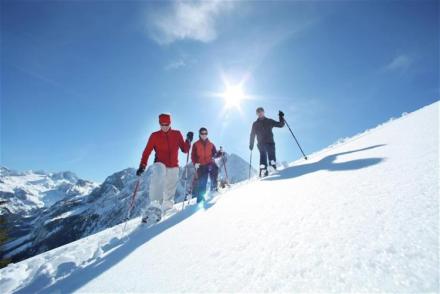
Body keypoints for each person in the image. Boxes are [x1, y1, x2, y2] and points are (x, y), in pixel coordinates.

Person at [136, 113, 193, 224]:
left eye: (167, 124)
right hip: (160, 163)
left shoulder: (177, 134)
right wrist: (142, 165)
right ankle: (154, 207)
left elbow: (185, 150)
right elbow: (147, 152)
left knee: (169, 191)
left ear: (170, 123)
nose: (165, 126)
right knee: (158, 179)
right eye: (162, 124)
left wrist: (188, 140)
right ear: (159, 124)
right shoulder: (154, 136)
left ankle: (164, 211)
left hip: (174, 166)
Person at [249, 107, 285, 177]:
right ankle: (263, 170)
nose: (260, 113)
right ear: (257, 114)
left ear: (263, 112)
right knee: (263, 154)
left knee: (271, 154)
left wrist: (281, 117)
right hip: (261, 143)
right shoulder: (255, 124)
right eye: (258, 112)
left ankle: (272, 166)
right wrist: (251, 144)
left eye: (261, 111)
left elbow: (280, 125)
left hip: (270, 142)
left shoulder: (269, 121)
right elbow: (252, 134)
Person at [191, 127, 223, 203]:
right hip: (201, 165)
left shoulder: (211, 144)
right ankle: (200, 199)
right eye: (202, 133)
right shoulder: (196, 144)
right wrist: (195, 163)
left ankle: (214, 189)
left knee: (215, 169)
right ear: (199, 134)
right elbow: (193, 156)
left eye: (205, 133)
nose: (204, 135)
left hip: (209, 163)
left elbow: (215, 154)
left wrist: (220, 152)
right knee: (202, 182)